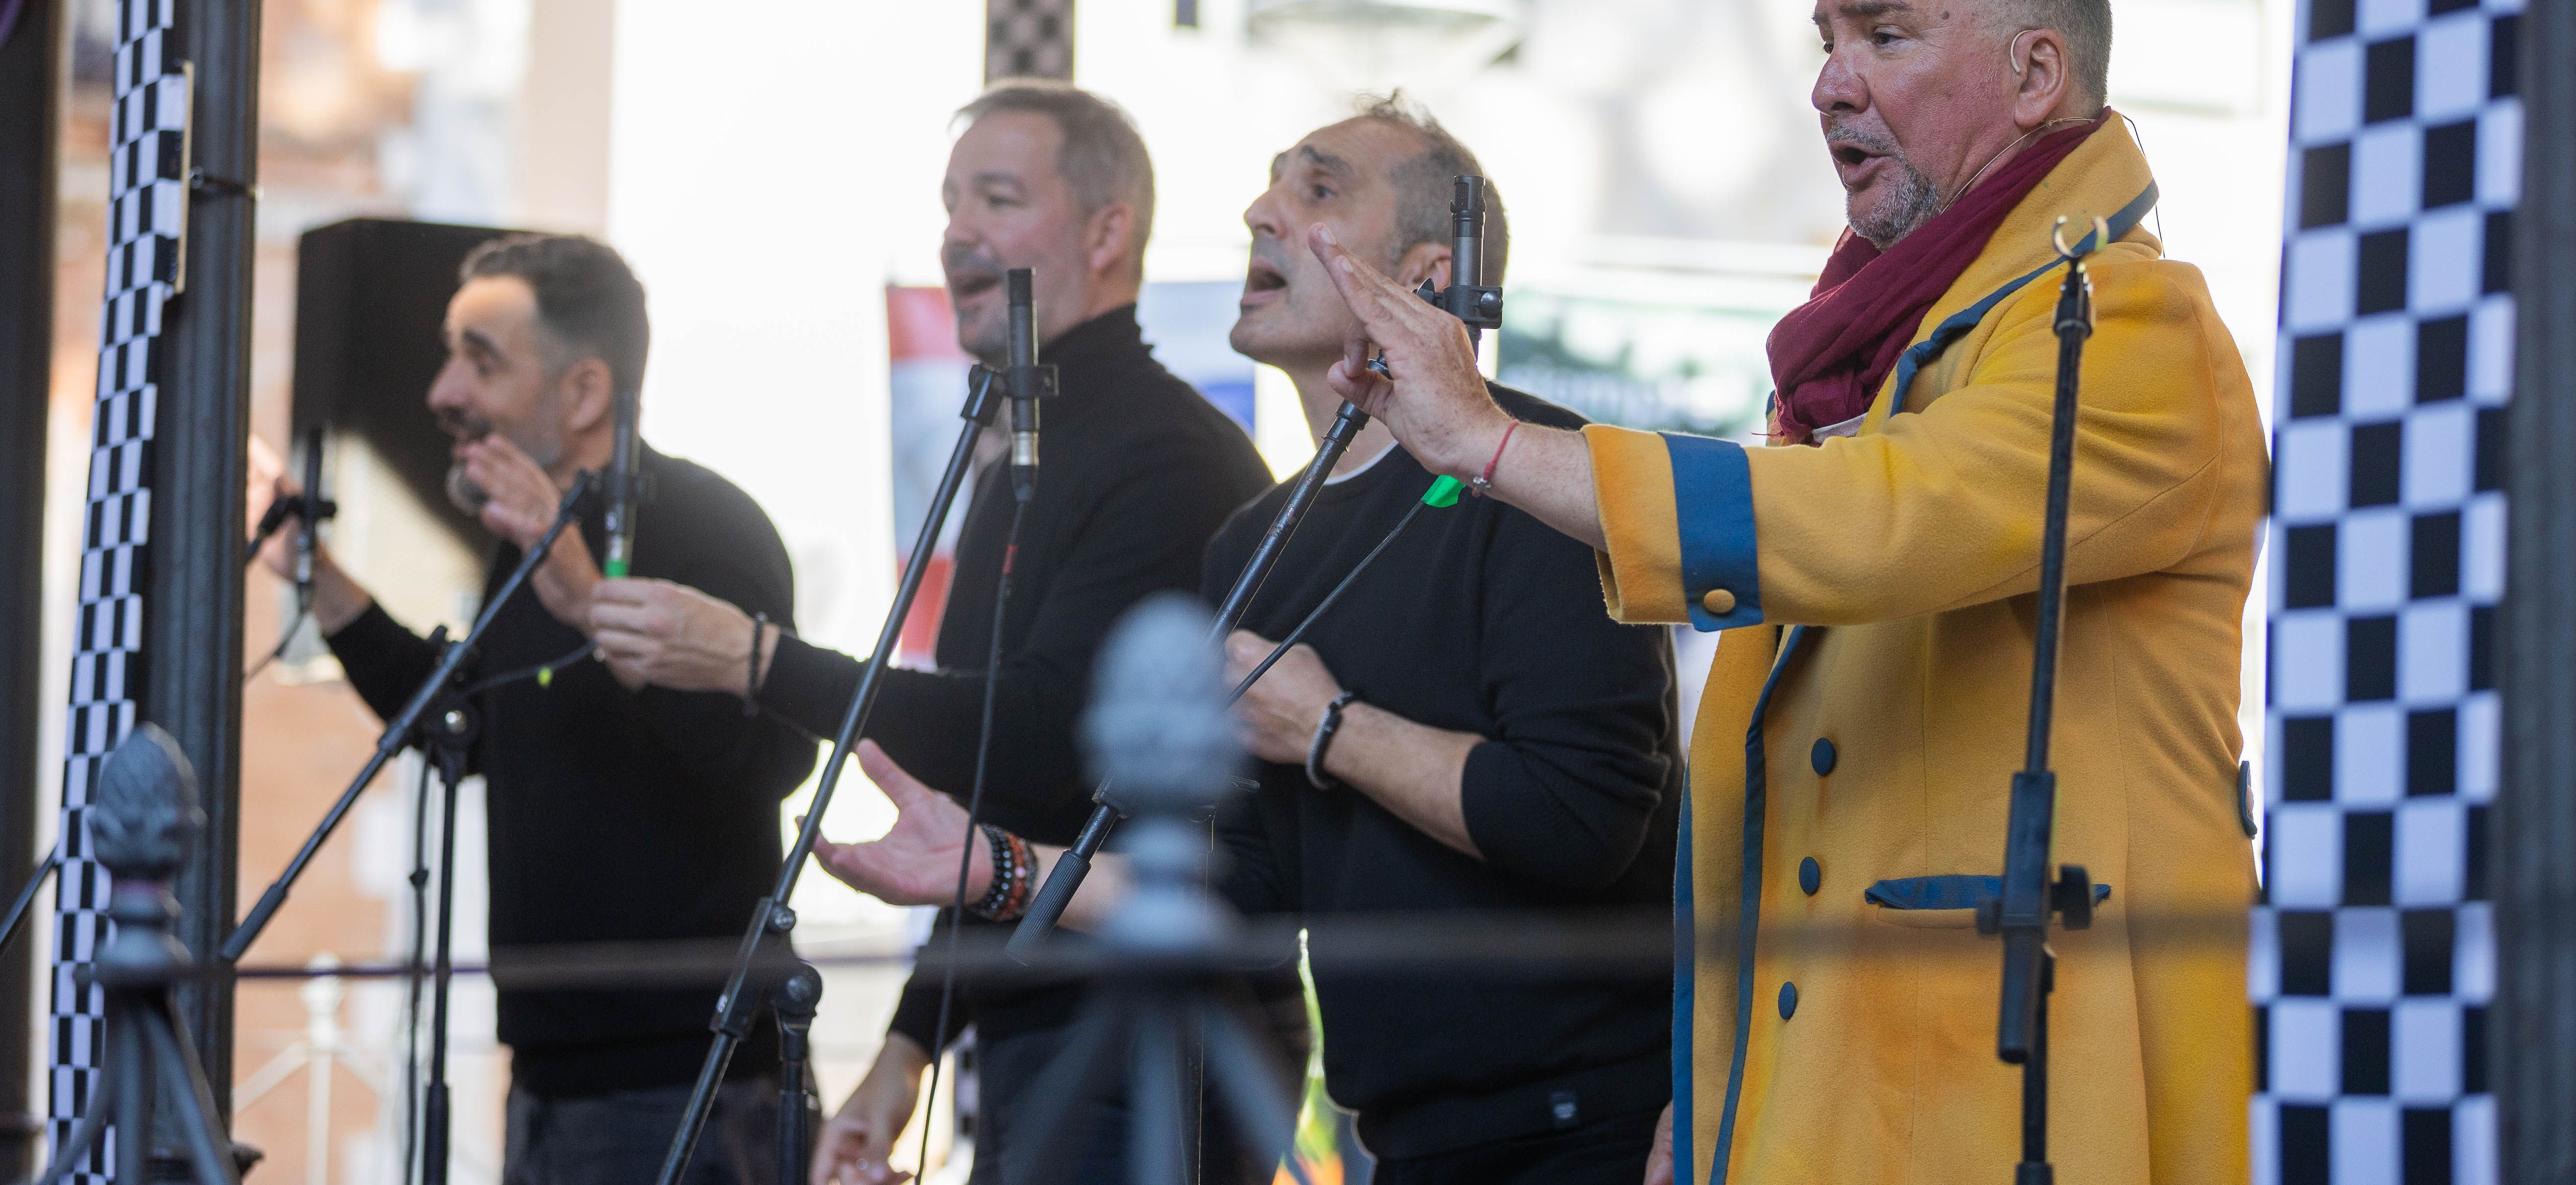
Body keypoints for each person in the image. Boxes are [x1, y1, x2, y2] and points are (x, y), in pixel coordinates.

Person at [1291, 0, 2268, 1185]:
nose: (1828, 85)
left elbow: (1885, 520)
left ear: (2037, 74)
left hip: (2037, 1108)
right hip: (1830, 1110)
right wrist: (1702, 1114)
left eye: (1883, 35)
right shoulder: (1879, 362)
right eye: (1824, 40)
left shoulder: (2136, 330)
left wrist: (1494, 444)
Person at [804, 97, 1682, 1185]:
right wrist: (996, 867)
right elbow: (1247, 894)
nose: (1257, 213)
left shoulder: (1543, 475)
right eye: (1271, 185)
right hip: (1402, 1141)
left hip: (1583, 1133)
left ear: (1425, 273)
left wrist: (1329, 727)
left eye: (1316, 190)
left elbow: (1578, 819)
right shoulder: (1257, 546)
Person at [586, 82, 1276, 1185]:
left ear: (1109, 231)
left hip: (1150, 1027)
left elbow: (1048, 738)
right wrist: (908, 1051)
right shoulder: (1016, 457)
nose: (958, 233)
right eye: (950, 203)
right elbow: (996, 799)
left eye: (997, 199)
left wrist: (750, 659)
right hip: (1030, 1019)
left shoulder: (1166, 457)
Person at [248, 233, 817, 1185]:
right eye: (449, 356)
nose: (442, 394)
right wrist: (319, 578)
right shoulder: (523, 550)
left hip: (693, 1085)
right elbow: (465, 727)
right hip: (550, 1080)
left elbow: (771, 758)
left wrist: (590, 600)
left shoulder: (706, 526)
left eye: (481, 361)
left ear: (586, 392)